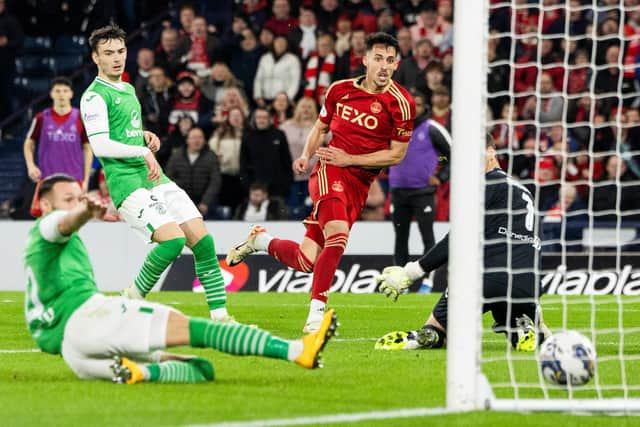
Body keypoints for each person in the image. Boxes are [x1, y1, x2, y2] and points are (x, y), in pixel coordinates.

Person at [24, 174, 338, 384]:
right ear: (47, 204)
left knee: (200, 369)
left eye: (79, 197)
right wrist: (82, 213)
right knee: (201, 331)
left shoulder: (38, 251)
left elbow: (43, 337)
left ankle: (142, 372)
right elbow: (61, 224)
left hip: (74, 352)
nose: (76, 203)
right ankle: (296, 350)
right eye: (69, 198)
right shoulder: (47, 227)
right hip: (94, 318)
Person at [227, 33, 416, 333]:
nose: (383, 66)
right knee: (338, 236)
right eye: (378, 58)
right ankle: (316, 314)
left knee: (306, 261)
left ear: (396, 64)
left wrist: (350, 160)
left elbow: (397, 154)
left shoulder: (402, 104)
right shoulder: (339, 90)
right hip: (329, 171)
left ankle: (260, 241)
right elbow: (320, 127)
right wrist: (305, 154)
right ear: (365, 59)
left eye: (389, 60)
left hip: (358, 181)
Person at [79, 25, 234, 322]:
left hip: (154, 177)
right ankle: (129, 301)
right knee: (174, 241)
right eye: (108, 53)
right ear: (96, 57)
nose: (116, 58)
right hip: (127, 183)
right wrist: (142, 151)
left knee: (204, 243)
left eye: (121, 51)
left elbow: (123, 132)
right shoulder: (94, 96)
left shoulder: (127, 88)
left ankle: (221, 318)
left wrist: (143, 136)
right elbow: (99, 145)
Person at [375, 135, 550, 352]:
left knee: (436, 328)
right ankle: (523, 326)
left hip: (486, 280)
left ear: (491, 151)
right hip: (529, 285)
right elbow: (536, 243)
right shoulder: (523, 191)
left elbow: (457, 238)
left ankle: (424, 336)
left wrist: (411, 272)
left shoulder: (485, 185)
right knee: (507, 295)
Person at [389, 93, 451, 266]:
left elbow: (454, 154)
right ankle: (400, 283)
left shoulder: (431, 128)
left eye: (418, 104)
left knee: (427, 236)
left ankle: (428, 283)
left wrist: (441, 176)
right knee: (400, 238)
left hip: (422, 193)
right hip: (398, 192)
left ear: (424, 107)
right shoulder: (393, 128)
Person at [165, 127, 221, 219]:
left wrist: (205, 202)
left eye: (200, 137)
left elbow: (215, 182)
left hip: (204, 202)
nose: (197, 140)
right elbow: (169, 178)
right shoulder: (176, 156)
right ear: (187, 140)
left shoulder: (211, 157)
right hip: (181, 201)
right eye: (194, 137)